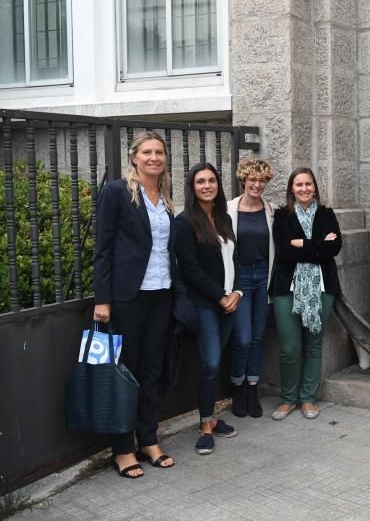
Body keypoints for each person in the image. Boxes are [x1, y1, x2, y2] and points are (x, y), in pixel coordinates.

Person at [93, 131, 177, 478]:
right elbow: (103, 248)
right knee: (125, 373)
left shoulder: (165, 195)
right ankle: (123, 449)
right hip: (129, 296)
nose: (154, 157)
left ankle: (148, 438)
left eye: (159, 152)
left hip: (162, 293)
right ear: (134, 157)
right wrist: (103, 299)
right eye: (147, 152)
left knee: (151, 371)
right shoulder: (117, 192)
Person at [175, 162, 242, 455]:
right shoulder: (184, 222)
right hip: (205, 304)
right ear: (192, 187)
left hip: (228, 302)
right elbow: (189, 269)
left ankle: (212, 418)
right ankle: (205, 425)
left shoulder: (223, 217)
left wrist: (237, 292)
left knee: (213, 363)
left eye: (211, 180)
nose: (207, 186)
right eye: (200, 181)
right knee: (211, 363)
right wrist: (220, 296)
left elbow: (234, 259)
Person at [270, 168, 343, 420]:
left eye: (308, 184)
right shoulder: (281, 216)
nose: (303, 189)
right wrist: (318, 246)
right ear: (291, 188)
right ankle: (289, 398)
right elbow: (284, 251)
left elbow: (335, 247)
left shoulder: (326, 214)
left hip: (322, 288)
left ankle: (308, 398)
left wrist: (302, 243)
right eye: (298, 184)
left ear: (315, 187)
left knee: (313, 345)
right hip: (286, 288)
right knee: (290, 347)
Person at [227, 158, 276, 418]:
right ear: (243, 180)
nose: (256, 184)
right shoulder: (228, 210)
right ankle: (237, 386)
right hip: (240, 279)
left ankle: (252, 388)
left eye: (261, 180)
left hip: (262, 278)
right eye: (252, 179)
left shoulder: (272, 210)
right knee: (243, 337)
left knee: (257, 337)